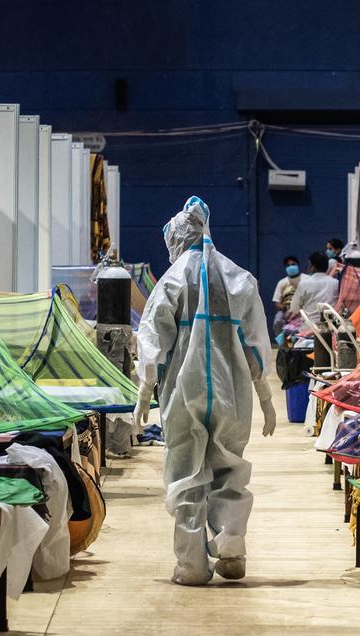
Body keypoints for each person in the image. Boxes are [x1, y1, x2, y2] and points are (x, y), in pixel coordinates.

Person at [132, 196, 275, 586]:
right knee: (230, 466)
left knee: (186, 470)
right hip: (232, 391)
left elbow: (153, 339)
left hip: (183, 388)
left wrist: (145, 389)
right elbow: (257, 343)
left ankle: (192, 565)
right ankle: (231, 545)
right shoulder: (238, 277)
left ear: (177, 239)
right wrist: (265, 397)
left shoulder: (173, 280)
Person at [288, 250, 339, 326]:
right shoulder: (336, 283)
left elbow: (294, 308)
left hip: (309, 327)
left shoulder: (304, 283)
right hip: (332, 327)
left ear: (313, 266)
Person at [271, 255, 303, 335]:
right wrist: (286, 309)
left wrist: (297, 311)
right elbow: (277, 302)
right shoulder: (282, 282)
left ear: (298, 265)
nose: (291, 267)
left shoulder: (306, 279)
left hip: (302, 310)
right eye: (288, 265)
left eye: (293, 264)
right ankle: (282, 344)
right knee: (277, 320)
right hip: (286, 310)